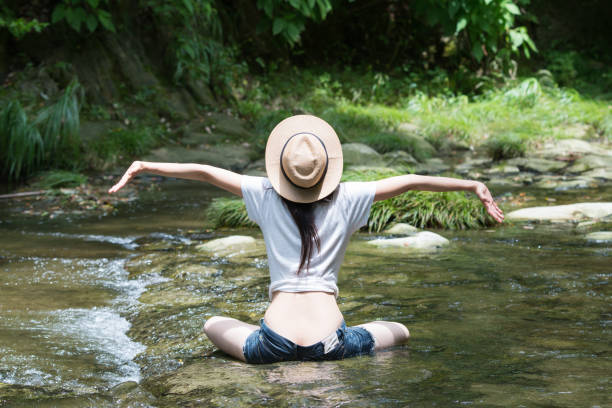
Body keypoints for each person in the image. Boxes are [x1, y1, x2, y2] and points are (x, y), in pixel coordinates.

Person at [109, 114, 504, 364]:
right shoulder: (351, 197)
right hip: (330, 343)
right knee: (400, 330)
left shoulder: (262, 194)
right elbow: (411, 182)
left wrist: (145, 165)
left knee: (213, 322)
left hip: (271, 344)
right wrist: (472, 185)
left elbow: (206, 172)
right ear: (325, 169)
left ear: (281, 168)